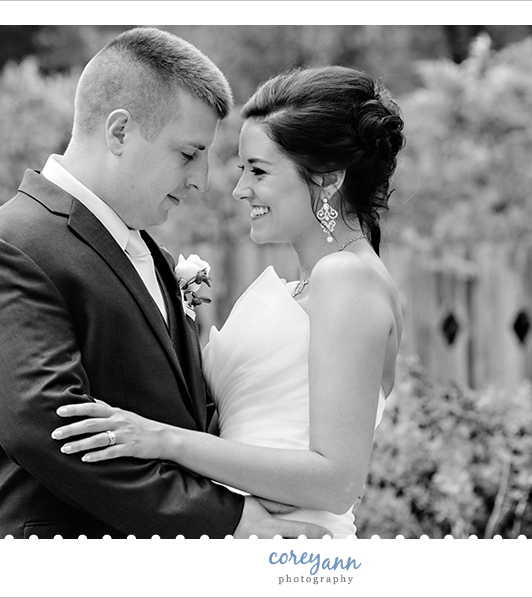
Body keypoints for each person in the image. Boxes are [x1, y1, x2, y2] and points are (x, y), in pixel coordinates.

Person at [0, 27, 330, 539]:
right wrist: (230, 520)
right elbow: (52, 432)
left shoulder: (151, 254)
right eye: (188, 154)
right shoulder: (6, 247)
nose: (201, 181)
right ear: (120, 131)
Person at [52, 66, 406, 537]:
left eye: (258, 170)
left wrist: (164, 441)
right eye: (243, 169)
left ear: (327, 180)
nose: (240, 189)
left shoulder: (347, 278)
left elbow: (336, 481)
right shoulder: (305, 285)